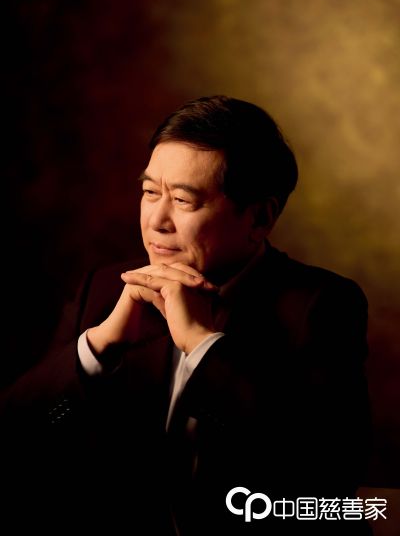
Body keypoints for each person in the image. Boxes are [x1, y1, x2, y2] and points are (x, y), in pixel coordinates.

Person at [1, 96, 371, 535]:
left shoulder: (321, 305)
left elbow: (325, 481)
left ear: (259, 219)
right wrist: (98, 348)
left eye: (183, 200)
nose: (157, 220)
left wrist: (202, 345)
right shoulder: (104, 288)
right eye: (149, 192)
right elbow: (17, 436)